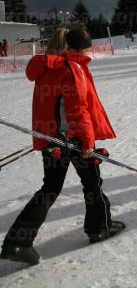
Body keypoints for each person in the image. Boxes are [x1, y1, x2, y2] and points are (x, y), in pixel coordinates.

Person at [1, 29, 124, 265]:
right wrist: (87, 142)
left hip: (53, 140)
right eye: (87, 47)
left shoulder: (48, 68)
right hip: (71, 139)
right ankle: (99, 228)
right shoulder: (71, 68)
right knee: (92, 183)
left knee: (51, 187)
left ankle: (18, 242)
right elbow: (77, 109)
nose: (90, 50)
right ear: (76, 49)